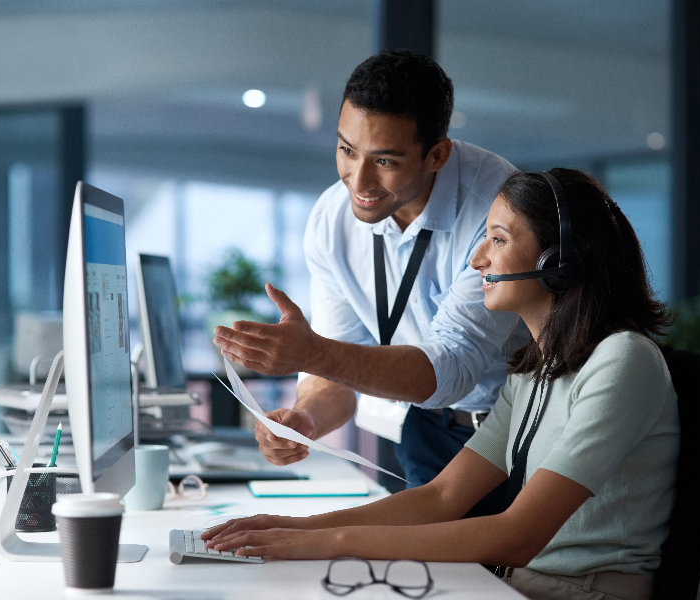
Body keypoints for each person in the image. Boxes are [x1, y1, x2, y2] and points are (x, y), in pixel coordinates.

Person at [203, 168, 680, 600]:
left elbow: (518, 535)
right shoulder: (536, 369)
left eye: (497, 239)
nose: (477, 260)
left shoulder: (623, 360)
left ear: (559, 261)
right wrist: (294, 529)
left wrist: (325, 544)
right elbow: (443, 496)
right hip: (519, 586)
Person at [213, 49, 522, 511]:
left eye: (385, 161)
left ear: (436, 154)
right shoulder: (331, 220)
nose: (357, 180)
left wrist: (312, 352)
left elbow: (454, 369)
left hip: (513, 436)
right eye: (346, 150)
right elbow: (336, 373)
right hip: (422, 424)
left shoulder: (498, 209)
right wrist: (305, 418)